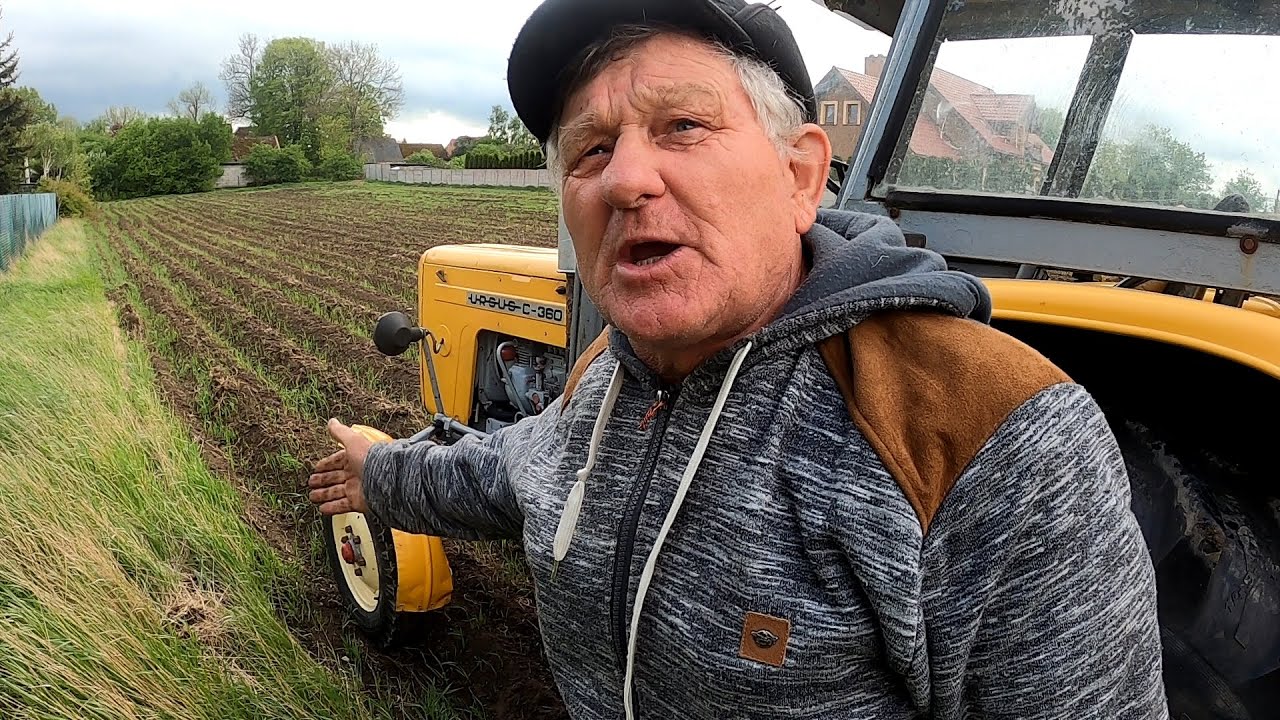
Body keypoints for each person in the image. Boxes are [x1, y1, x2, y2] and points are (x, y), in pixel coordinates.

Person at [308, 0, 1169, 717]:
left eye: (683, 126)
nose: (624, 180)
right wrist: (379, 471)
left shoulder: (989, 440)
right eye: (591, 150)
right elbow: (515, 472)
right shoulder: (609, 374)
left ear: (800, 178)